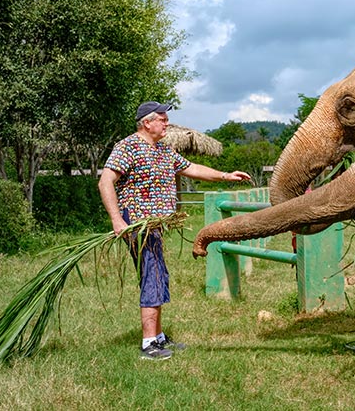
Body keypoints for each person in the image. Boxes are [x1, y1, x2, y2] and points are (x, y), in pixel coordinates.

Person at [98, 101, 251, 360]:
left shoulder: (163, 149)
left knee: (159, 273)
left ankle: (158, 336)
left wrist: (226, 175)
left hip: (155, 225)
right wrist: (117, 220)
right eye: (162, 118)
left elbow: (192, 169)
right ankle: (149, 344)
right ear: (147, 122)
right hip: (137, 223)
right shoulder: (128, 147)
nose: (167, 123)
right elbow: (105, 182)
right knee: (152, 274)